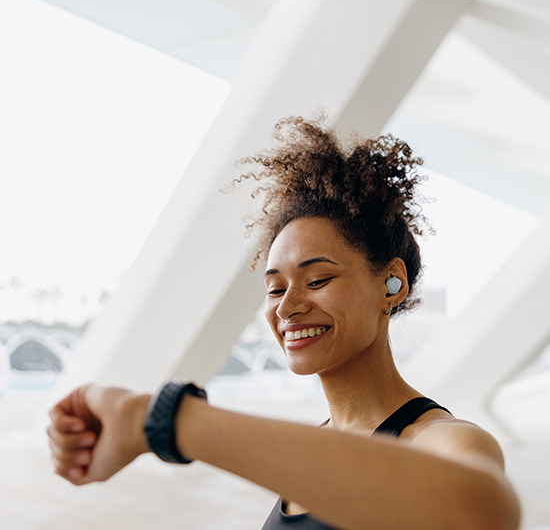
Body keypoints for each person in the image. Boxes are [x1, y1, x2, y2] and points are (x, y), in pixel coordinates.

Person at [48, 116, 521, 530]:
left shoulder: (442, 438)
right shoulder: (312, 448)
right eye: (275, 288)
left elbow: (479, 512)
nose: (287, 306)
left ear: (391, 283)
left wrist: (154, 420)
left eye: (317, 279)